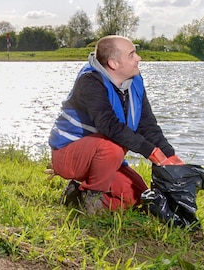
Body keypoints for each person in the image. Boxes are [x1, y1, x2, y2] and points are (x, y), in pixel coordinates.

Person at [48, 35, 183, 213]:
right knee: (112, 147)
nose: (139, 58)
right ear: (113, 64)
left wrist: (169, 155)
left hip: (103, 156)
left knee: (138, 196)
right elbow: (108, 125)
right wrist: (150, 151)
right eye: (132, 55)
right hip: (70, 153)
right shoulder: (90, 82)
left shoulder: (134, 82)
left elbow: (147, 125)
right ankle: (93, 196)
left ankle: (76, 196)